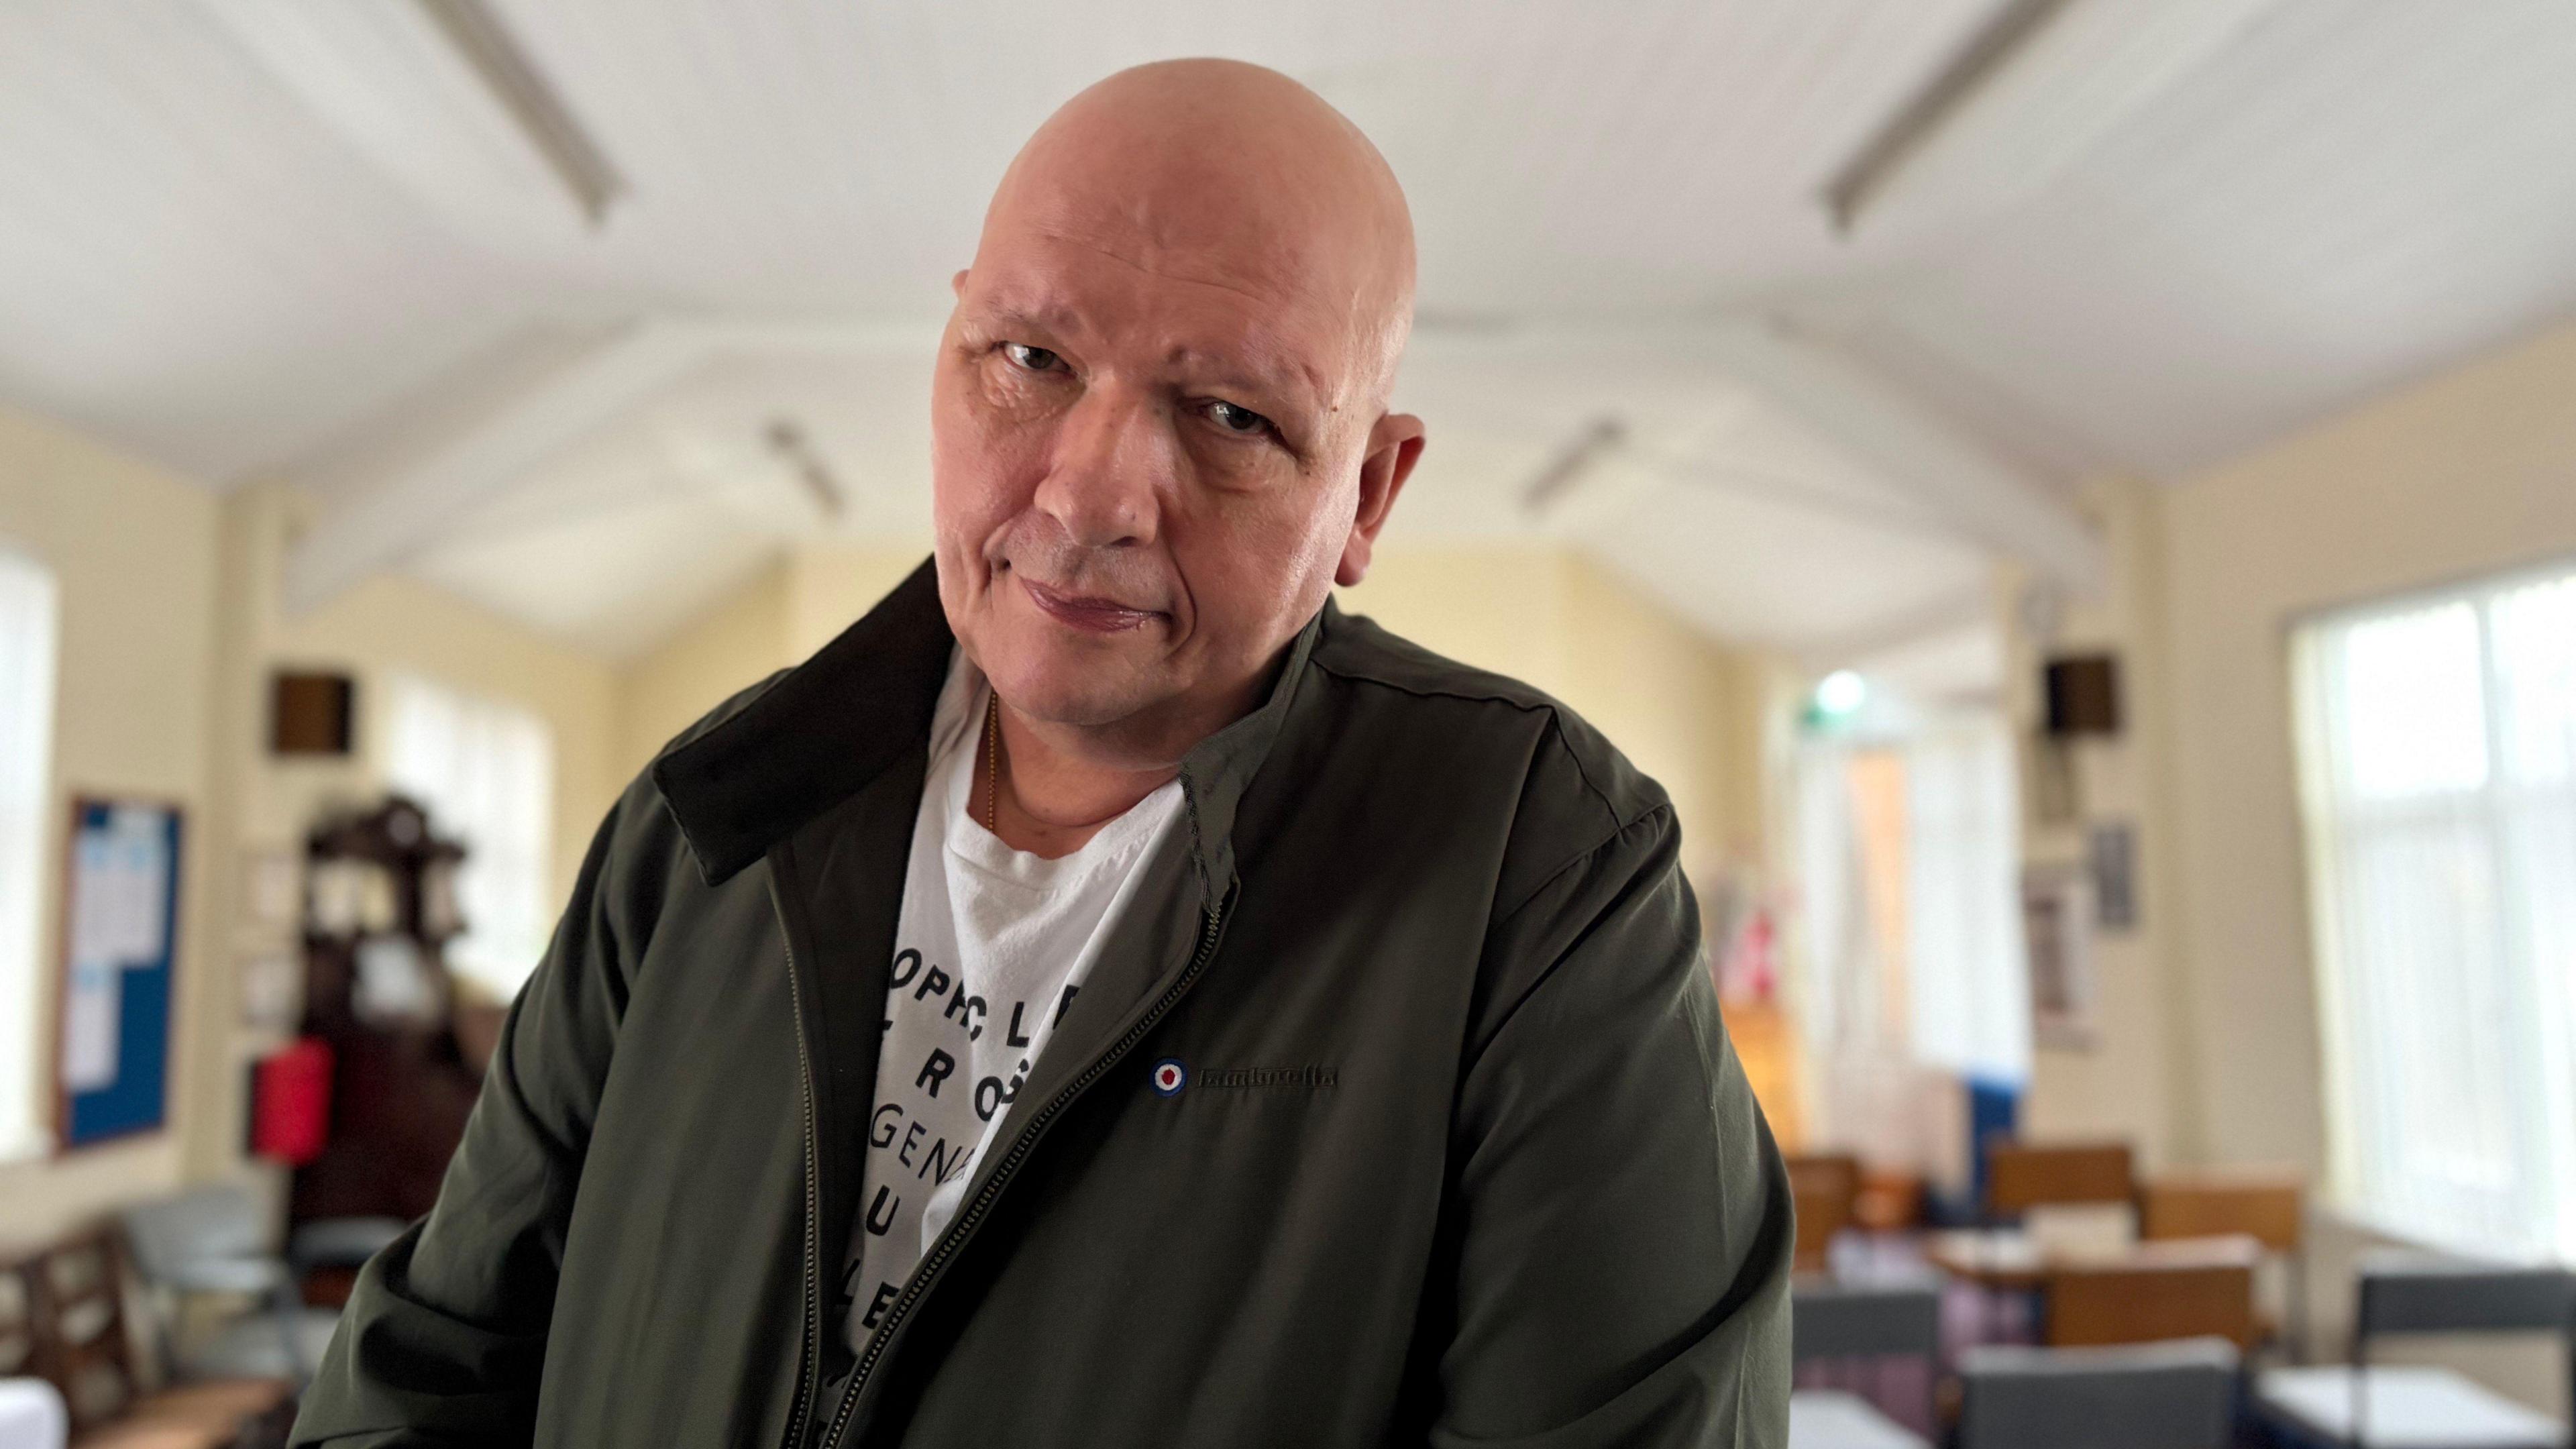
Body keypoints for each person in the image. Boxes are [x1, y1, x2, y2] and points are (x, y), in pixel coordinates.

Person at [292, 58, 1790, 1449]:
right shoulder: (710, 825)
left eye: (1229, 415)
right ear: (950, 342)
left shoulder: (1536, 879)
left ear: (1369, 494)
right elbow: (429, 1370)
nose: (1089, 497)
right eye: (1030, 356)